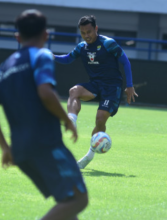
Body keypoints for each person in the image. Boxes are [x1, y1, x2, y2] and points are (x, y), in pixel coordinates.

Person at [0, 9, 88, 220]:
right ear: (46, 35)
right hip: (45, 144)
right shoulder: (41, 56)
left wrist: (5, 147)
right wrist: (66, 119)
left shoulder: (4, 67)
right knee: (78, 200)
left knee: (66, 201)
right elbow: (45, 93)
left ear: (17, 37)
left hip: (20, 151)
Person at [54, 15, 138, 169]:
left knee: (100, 119)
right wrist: (51, 56)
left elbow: (125, 62)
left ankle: (89, 155)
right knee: (74, 91)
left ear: (96, 29)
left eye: (89, 31)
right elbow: (67, 59)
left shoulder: (108, 44)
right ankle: (71, 120)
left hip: (112, 88)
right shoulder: (81, 47)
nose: (87, 35)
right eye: (83, 32)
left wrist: (130, 85)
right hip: (95, 85)